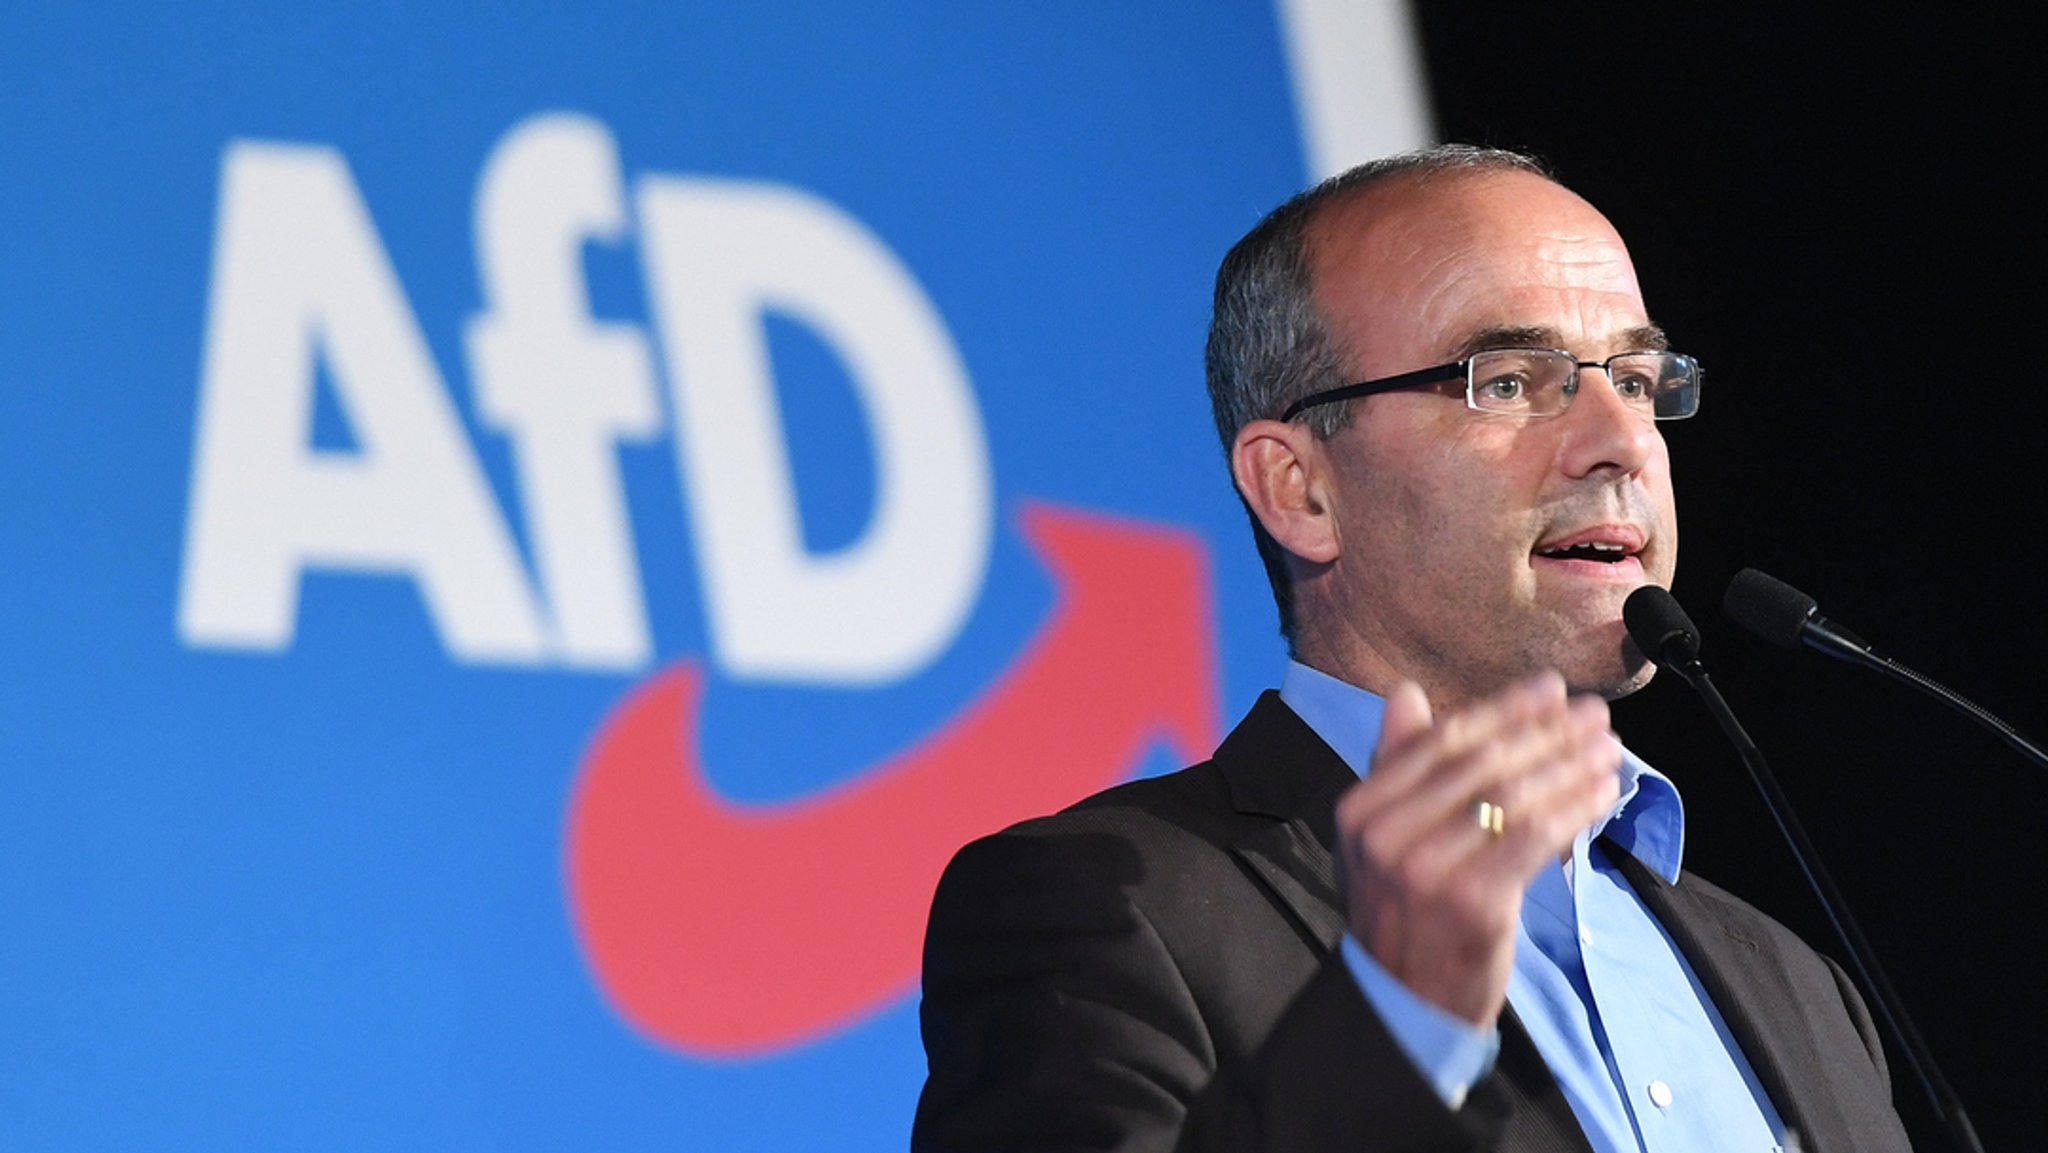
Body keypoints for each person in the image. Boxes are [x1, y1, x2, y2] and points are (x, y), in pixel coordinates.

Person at [911, 146, 1914, 1152]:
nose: (1619, 441)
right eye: (1512, 382)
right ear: (1299, 490)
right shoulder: (1106, 910)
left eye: (1638, 380)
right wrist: (1396, 1022)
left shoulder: (1803, 990)